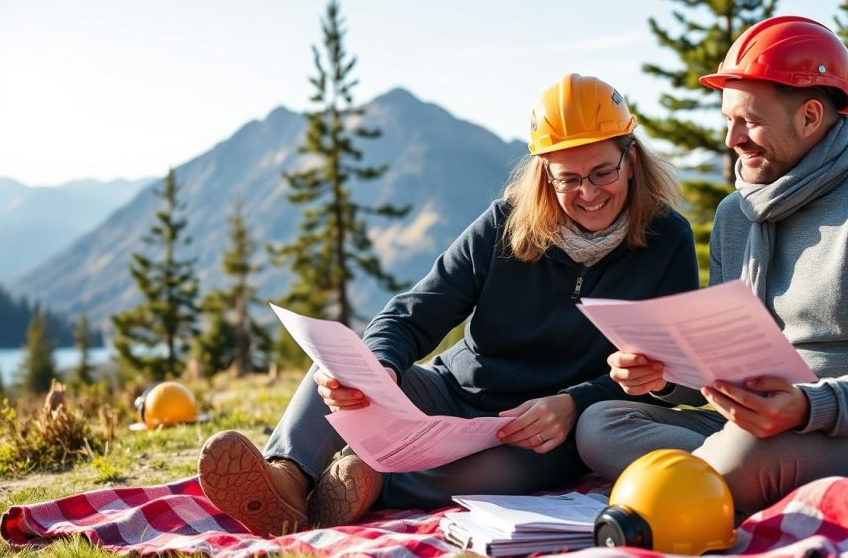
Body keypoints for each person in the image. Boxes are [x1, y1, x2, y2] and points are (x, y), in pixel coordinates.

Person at [197, 73, 700, 537]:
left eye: (602, 172)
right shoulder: (504, 224)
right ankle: (287, 476)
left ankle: (358, 484)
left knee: (489, 476)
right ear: (544, 174)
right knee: (336, 364)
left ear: (631, 158)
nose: (588, 192)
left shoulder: (667, 239)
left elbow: (660, 369)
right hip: (451, 393)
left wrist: (574, 403)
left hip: (544, 428)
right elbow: (412, 312)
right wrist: (380, 367)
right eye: (568, 178)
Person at [576, 15, 848, 522]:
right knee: (600, 424)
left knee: (747, 452)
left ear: (811, 117)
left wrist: (809, 407)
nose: (732, 138)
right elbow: (719, 369)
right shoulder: (735, 214)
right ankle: (702, 486)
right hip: (741, 425)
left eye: (749, 120)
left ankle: (664, 504)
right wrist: (661, 378)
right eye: (728, 118)